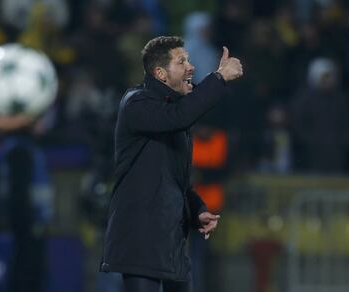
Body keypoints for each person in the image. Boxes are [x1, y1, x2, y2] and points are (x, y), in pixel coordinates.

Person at [100, 36, 243, 292]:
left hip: (171, 242)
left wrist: (196, 208)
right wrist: (219, 78)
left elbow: (173, 178)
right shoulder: (137, 102)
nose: (191, 66)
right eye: (182, 61)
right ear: (160, 73)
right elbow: (178, 117)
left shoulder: (175, 112)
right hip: (140, 241)